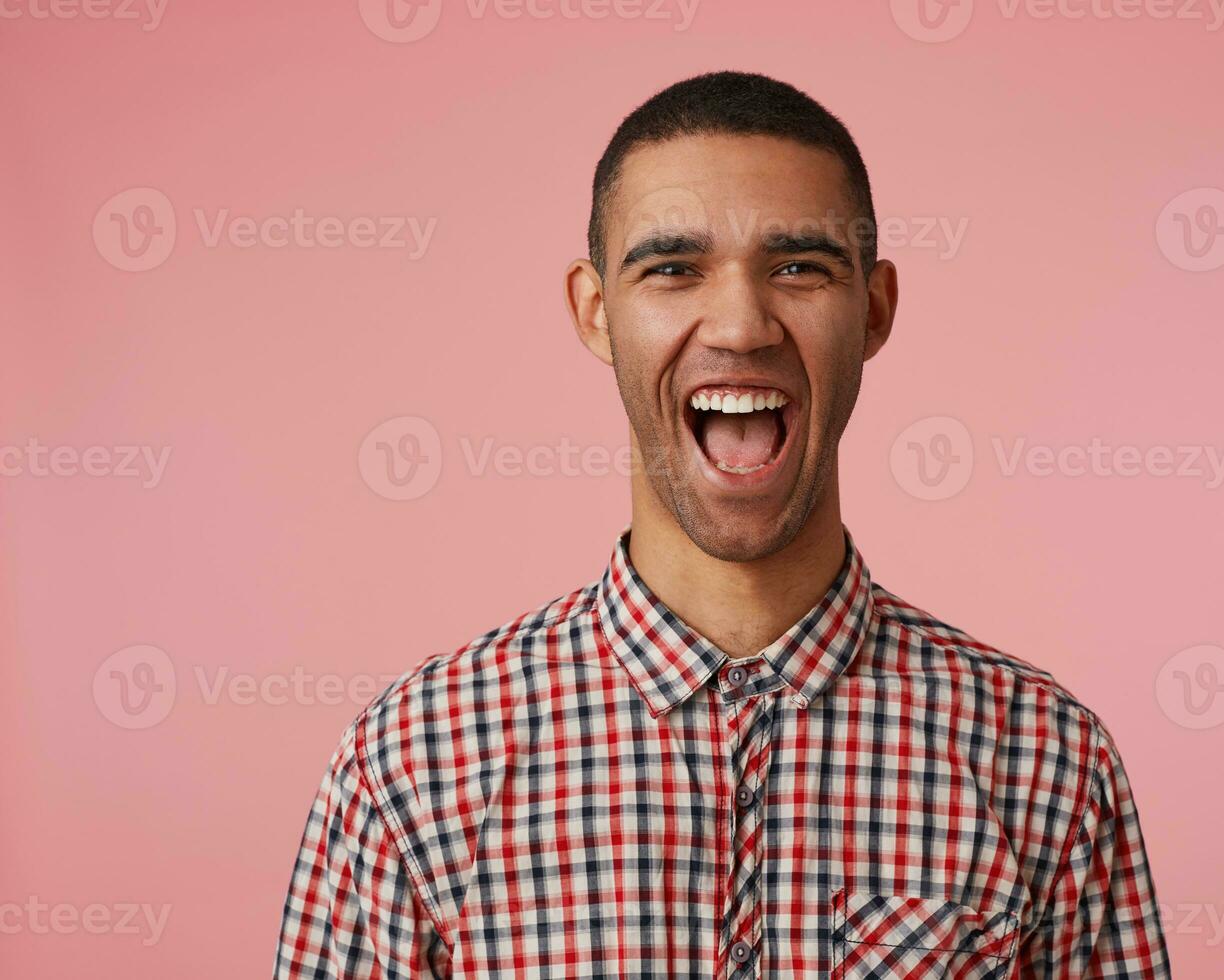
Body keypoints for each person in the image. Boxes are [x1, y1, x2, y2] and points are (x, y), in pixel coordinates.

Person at [274, 70, 1171, 979]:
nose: (741, 326)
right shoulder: (411, 764)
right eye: (672, 268)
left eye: (798, 267)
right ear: (595, 311)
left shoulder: (1047, 761)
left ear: (875, 309)